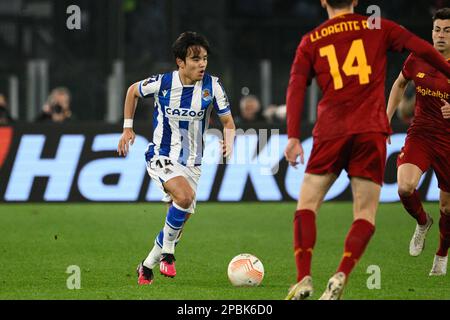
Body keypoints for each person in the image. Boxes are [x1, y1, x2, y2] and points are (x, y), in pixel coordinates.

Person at [284, 0, 450, 300]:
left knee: (307, 204)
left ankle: (303, 277)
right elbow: (423, 49)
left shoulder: (312, 40)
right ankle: (342, 274)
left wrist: (294, 136)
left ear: (323, 2)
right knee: (364, 214)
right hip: (371, 131)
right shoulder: (378, 27)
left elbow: (296, 87)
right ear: (356, 1)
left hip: (331, 130)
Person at [117, 31, 236, 285]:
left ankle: (146, 266)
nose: (201, 64)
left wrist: (229, 139)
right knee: (184, 197)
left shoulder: (212, 86)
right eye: (195, 59)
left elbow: (229, 123)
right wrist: (128, 127)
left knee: (178, 220)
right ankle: (168, 256)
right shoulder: (163, 82)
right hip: (162, 155)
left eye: (204, 58)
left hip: (193, 162)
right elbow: (132, 92)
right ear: (180, 62)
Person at [386, 8, 450, 276]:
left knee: (447, 206)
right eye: (437, 30)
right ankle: (423, 222)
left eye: (447, 30)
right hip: (422, 132)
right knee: (404, 187)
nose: (441, 36)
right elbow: (400, 84)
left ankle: (441, 256)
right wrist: (384, 120)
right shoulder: (419, 57)